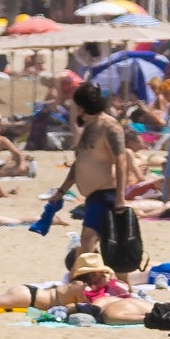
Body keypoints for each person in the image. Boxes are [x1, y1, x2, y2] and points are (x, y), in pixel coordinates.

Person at [50, 84, 126, 259]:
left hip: (106, 195)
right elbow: (80, 163)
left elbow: (121, 161)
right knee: (102, 251)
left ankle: (87, 283)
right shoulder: (90, 126)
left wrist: (120, 197)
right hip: (93, 197)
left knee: (88, 245)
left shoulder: (110, 127)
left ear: (82, 107)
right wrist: (61, 192)